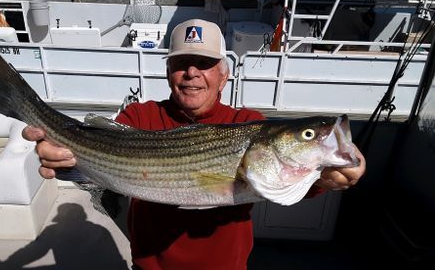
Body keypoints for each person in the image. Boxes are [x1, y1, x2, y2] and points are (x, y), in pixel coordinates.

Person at [23, 19, 366, 270]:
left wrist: (325, 177)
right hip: (149, 265)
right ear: (168, 72)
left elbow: (280, 180)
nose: (192, 73)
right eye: (180, 64)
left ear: (223, 74)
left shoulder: (247, 123)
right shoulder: (140, 116)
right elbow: (97, 148)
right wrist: (64, 158)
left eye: (204, 64)